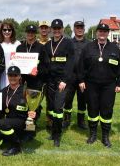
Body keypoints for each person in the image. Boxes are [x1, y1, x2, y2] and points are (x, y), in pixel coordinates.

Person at [78, 23, 120, 148]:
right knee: (92, 109)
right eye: (100, 31)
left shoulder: (114, 48)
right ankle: (93, 134)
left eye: (105, 31)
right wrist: (81, 80)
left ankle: (105, 136)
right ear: (97, 32)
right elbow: (81, 66)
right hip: (91, 84)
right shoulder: (88, 47)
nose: (102, 33)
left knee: (107, 110)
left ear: (108, 33)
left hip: (109, 85)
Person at [0, 66, 36, 156]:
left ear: (19, 76)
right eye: (10, 75)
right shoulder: (3, 92)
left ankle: (16, 146)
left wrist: (32, 120)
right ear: (8, 76)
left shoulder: (27, 92)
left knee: (2, 123)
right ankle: (11, 136)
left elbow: (35, 109)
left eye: (15, 75)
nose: (12, 77)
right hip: (5, 123)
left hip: (21, 122)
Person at [44, 19, 75, 147]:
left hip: (62, 82)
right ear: (51, 30)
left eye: (59, 29)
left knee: (58, 108)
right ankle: (52, 131)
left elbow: (70, 63)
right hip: (50, 81)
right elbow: (45, 63)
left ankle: (57, 135)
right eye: (54, 29)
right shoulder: (47, 45)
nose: (56, 31)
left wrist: (64, 81)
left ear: (62, 29)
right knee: (51, 108)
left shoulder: (68, 43)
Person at [16, 24, 48, 140]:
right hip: (23, 81)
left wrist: (38, 71)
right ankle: (23, 126)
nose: (30, 34)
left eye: (32, 32)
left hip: (36, 81)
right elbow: (16, 64)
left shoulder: (41, 47)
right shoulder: (20, 47)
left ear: (35, 33)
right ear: (25, 33)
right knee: (23, 104)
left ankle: (30, 131)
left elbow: (46, 67)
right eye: (28, 32)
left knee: (33, 107)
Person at [63, 21, 89, 130]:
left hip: (83, 77)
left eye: (81, 27)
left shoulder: (89, 44)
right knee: (67, 99)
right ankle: (66, 119)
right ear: (74, 29)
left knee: (82, 100)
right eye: (77, 27)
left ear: (84, 29)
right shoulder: (68, 42)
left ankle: (81, 121)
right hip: (70, 76)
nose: (79, 29)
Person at [0, 21, 20, 89]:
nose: (7, 32)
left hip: (14, 74)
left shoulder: (17, 44)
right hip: (2, 74)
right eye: (4, 30)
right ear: (1, 31)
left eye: (9, 30)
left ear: (12, 31)